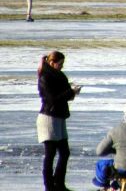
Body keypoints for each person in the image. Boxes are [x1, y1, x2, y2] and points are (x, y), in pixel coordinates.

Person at [37, 51, 82, 191]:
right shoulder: (45, 77)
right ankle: (50, 186)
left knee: (64, 152)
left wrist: (73, 92)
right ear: (51, 63)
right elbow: (52, 99)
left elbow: (63, 96)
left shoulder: (59, 76)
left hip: (59, 116)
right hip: (48, 118)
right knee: (50, 153)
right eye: (60, 64)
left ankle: (59, 184)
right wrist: (70, 92)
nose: (62, 66)